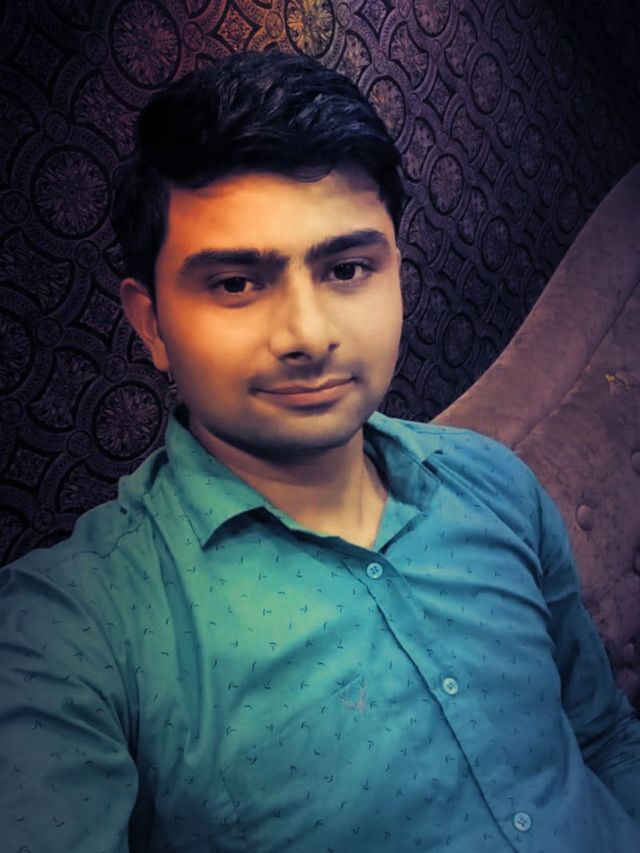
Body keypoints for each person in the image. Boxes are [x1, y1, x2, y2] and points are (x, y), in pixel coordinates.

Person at [1, 49, 639, 853]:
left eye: (346, 268)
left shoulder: (494, 482)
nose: (307, 334)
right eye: (236, 283)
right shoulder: (68, 631)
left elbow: (605, 737)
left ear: (396, 273)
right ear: (152, 323)